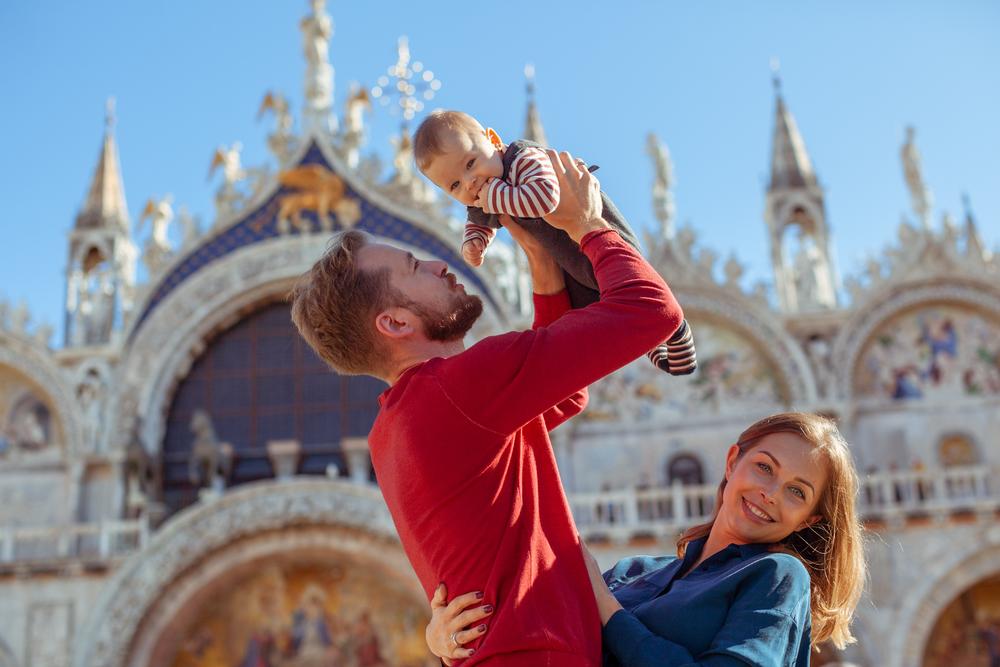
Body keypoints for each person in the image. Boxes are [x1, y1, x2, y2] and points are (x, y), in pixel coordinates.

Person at [290, 151, 685, 666]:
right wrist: (588, 224)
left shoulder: (399, 422)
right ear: (394, 324)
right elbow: (652, 312)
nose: (438, 263)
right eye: (414, 268)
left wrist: (543, 258)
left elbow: (565, 396)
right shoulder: (461, 387)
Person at [428, 412, 867, 666]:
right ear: (732, 461)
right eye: (764, 467)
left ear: (809, 520)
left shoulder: (778, 575)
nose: (769, 494)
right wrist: (448, 642)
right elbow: (540, 641)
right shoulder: (634, 573)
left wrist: (604, 605)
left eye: (796, 491)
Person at [413, 110, 697, 377]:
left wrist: (495, 195)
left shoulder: (524, 159)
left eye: (471, 163)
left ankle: (676, 331)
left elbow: (544, 199)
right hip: (571, 263)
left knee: (631, 290)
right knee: (603, 313)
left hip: (597, 240)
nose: (470, 182)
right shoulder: (483, 192)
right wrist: (474, 243)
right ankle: (652, 346)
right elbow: (479, 220)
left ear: (494, 141)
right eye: (454, 186)